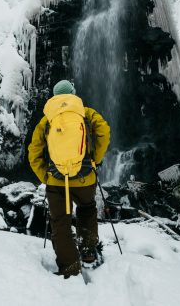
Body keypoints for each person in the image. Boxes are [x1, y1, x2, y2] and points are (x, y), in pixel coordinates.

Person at [28, 79, 110, 278]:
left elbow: (34, 152)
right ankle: (88, 250)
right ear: (73, 93)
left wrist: (45, 176)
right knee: (87, 209)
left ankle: (69, 266)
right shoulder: (86, 113)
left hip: (56, 181)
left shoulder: (47, 119)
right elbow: (104, 133)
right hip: (84, 178)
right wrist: (94, 160)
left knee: (60, 222)